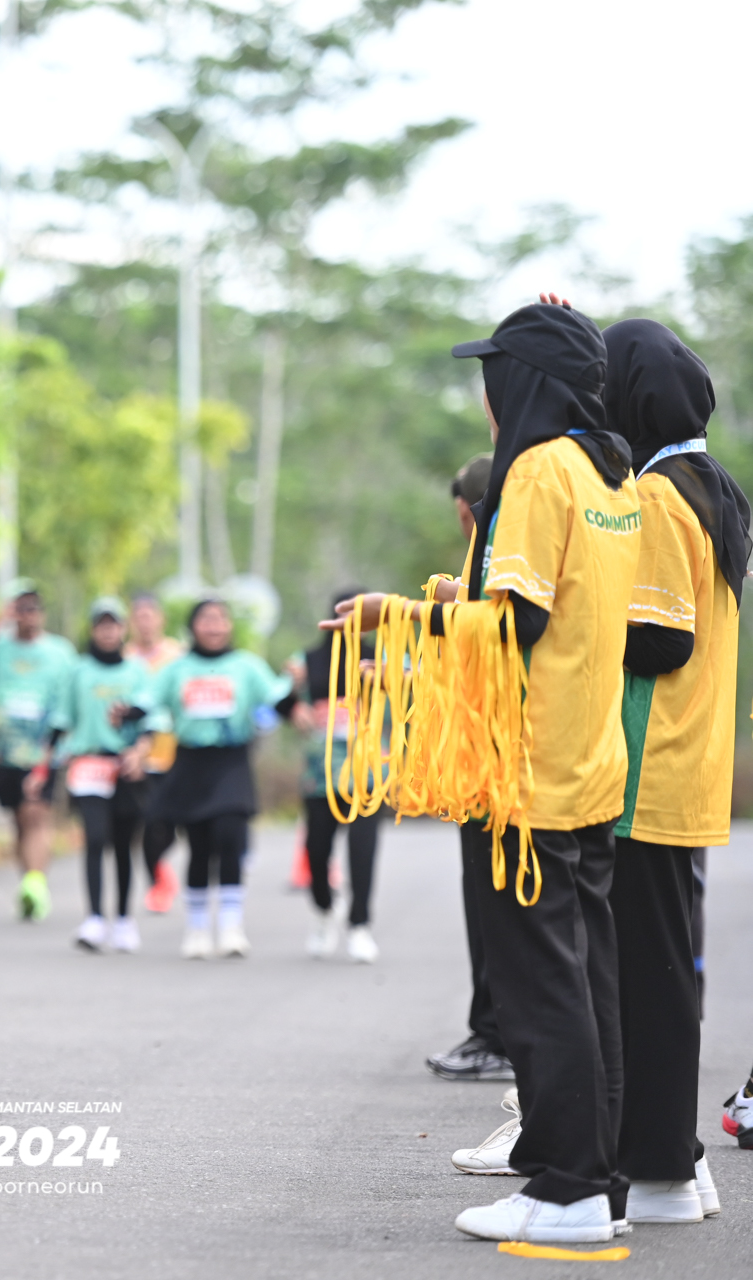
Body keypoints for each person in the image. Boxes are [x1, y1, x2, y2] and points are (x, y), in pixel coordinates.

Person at [336, 302, 638, 1243]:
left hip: (532, 774)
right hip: (589, 763)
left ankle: (567, 1191)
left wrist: (397, 614)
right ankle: (594, 1178)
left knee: (542, 986)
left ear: (525, 385)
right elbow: (558, 611)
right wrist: (449, 595)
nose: (484, 393)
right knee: (586, 981)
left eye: (492, 374)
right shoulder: (612, 475)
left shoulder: (541, 470)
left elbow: (521, 624)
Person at [597, 319, 740, 1223]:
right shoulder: (711, 485)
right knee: (667, 973)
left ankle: (658, 1175)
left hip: (647, 766)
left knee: (644, 981)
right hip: (690, 765)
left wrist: (574, 621)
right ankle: (677, 1160)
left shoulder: (658, 496)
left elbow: (656, 639)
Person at [426, 452, 515, 1081]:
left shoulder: (498, 549)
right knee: (491, 901)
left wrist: (425, 609)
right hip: (490, 759)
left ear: (465, 509)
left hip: (501, 762)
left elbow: (510, 628)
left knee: (498, 905)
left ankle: (500, 1036)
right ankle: (495, 1031)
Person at [145, 598, 288, 960]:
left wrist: (296, 694)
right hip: (191, 761)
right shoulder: (178, 669)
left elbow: (277, 698)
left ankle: (230, 926)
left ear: (229, 626)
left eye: (220, 619)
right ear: (193, 627)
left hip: (231, 761)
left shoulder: (246, 666)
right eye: (206, 620)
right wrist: (128, 712)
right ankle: (196, 928)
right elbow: (147, 701)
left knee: (230, 834)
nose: (214, 626)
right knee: (199, 845)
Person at [284, 589, 384, 963]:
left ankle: (360, 926)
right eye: (347, 614)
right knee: (317, 849)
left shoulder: (383, 656)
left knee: (363, 850)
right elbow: (277, 701)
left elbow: (418, 685)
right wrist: (293, 706)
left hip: (367, 770)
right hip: (320, 772)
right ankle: (325, 910)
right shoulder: (306, 660)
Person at [52, 597, 154, 953]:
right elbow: (63, 719)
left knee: (124, 844)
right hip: (88, 763)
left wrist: (139, 751)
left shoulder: (137, 670)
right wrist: (48, 762)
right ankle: (94, 918)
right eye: (102, 625)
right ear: (94, 630)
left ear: (123, 629)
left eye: (114, 625)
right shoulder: (78, 671)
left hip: (124, 764)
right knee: (95, 838)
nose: (108, 632)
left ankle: (124, 919)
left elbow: (152, 717)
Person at [0, 581, 74, 920]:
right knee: (20, 821)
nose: (29, 614)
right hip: (4, 751)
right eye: (22, 607)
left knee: (36, 814)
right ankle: (30, 884)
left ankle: (36, 883)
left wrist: (56, 746)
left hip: (43, 750)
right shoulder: (1, 646)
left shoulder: (60, 652)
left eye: (34, 607)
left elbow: (68, 701)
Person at [125, 592, 182, 914]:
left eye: (150, 615)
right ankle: (158, 883)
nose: (145, 622)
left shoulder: (178, 655)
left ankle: (162, 869)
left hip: (174, 752)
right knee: (149, 823)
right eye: (139, 616)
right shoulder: (125, 657)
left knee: (171, 824)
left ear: (161, 619)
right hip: (139, 758)